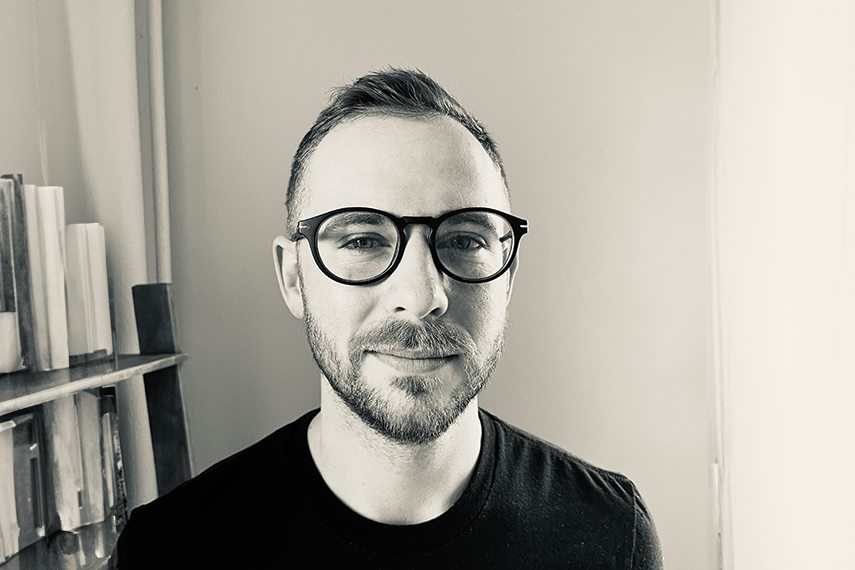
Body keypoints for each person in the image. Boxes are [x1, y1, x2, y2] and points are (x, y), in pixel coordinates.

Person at [114, 68, 663, 569]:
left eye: (465, 239)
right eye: (362, 239)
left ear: (508, 276)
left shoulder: (611, 536)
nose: (422, 296)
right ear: (293, 278)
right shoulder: (168, 550)